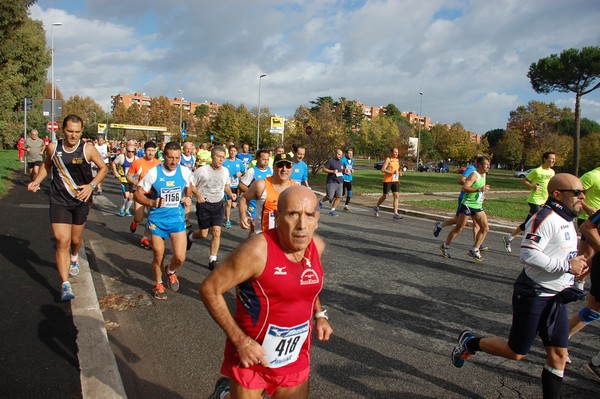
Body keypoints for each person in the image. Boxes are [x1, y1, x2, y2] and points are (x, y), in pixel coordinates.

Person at [451, 173, 588, 399]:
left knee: (558, 356)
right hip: (533, 294)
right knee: (516, 353)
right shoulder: (545, 218)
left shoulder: (566, 217)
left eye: (582, 192)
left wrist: (573, 272)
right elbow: (527, 255)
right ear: (557, 195)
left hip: (556, 298)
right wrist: (566, 266)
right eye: (577, 192)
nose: (582, 196)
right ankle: (470, 343)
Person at [201, 185, 333, 399]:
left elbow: (308, 285)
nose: (301, 225)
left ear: (317, 218)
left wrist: (319, 314)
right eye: (293, 214)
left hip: (294, 357)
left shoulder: (316, 247)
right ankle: (224, 393)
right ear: (277, 216)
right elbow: (209, 289)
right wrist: (241, 341)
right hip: (252, 358)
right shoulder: (257, 251)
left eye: (309, 215)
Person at [27, 115, 108, 301]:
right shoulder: (53, 148)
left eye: (77, 132)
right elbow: (47, 166)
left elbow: (103, 168)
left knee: (75, 239)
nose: (73, 135)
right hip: (59, 199)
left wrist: (91, 186)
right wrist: (37, 181)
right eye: (70, 131)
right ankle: (65, 285)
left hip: (81, 200)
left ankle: (74, 256)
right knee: (61, 239)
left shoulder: (88, 149)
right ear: (63, 130)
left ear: (81, 131)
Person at [134, 141, 192, 300]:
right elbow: (137, 194)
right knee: (158, 254)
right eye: (171, 158)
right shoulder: (153, 173)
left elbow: (189, 186)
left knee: (180, 257)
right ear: (164, 156)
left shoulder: (185, 172)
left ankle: (171, 271)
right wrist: (151, 202)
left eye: (177, 158)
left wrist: (188, 198)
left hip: (177, 219)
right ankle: (158, 283)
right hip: (157, 221)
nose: (174, 162)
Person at [187, 145, 236, 270]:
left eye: (222, 157)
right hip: (204, 204)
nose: (221, 160)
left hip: (218, 204)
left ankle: (212, 259)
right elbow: (190, 184)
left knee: (217, 232)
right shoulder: (202, 170)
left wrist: (231, 194)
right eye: (218, 157)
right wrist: (198, 195)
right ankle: (191, 237)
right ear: (212, 157)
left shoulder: (225, 171)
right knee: (203, 234)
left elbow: (226, 185)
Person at [440, 156, 491, 261]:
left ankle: (475, 249)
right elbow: (464, 187)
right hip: (467, 205)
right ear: (480, 165)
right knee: (459, 227)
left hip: (477, 206)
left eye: (489, 164)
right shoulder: (474, 175)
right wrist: (479, 189)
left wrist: (482, 194)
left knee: (485, 228)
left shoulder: (484, 175)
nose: (488, 166)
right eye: (486, 164)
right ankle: (445, 246)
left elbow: (480, 189)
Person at [503, 152, 556, 253]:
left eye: (554, 159)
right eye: (551, 158)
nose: (553, 161)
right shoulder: (537, 171)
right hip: (535, 200)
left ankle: (510, 237)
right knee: (540, 221)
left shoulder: (552, 172)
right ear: (545, 159)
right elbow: (525, 180)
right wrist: (532, 186)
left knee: (528, 222)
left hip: (546, 200)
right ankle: (535, 244)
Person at [238, 153, 296, 235]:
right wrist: (243, 215)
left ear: (292, 168)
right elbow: (244, 198)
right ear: (273, 167)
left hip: (285, 238)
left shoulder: (295, 189)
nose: (284, 169)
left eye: (288, 166)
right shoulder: (261, 185)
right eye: (280, 165)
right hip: (264, 238)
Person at [127, 141, 161, 249]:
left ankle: (145, 238)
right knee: (139, 217)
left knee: (152, 217)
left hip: (153, 194)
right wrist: (136, 183)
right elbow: (129, 176)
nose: (151, 153)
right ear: (144, 151)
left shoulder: (159, 164)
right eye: (148, 150)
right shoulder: (138, 162)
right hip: (141, 193)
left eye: (152, 150)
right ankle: (135, 221)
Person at [238, 149, 273, 235]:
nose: (266, 161)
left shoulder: (270, 170)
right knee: (254, 227)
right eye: (263, 159)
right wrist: (253, 193)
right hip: (253, 204)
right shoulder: (252, 171)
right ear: (258, 159)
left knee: (265, 228)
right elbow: (241, 185)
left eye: (267, 159)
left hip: (266, 204)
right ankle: (251, 247)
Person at [372, 147, 403, 220]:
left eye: (397, 152)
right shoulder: (388, 159)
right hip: (388, 180)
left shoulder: (397, 160)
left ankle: (395, 213)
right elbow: (383, 169)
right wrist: (392, 172)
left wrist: (399, 173)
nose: (396, 154)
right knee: (385, 196)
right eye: (395, 152)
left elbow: (397, 169)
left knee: (396, 196)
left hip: (395, 180)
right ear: (392, 152)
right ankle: (376, 207)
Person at [111, 144, 138, 216]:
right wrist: (115, 172)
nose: (130, 153)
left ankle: (127, 210)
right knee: (126, 195)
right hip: (124, 179)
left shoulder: (136, 159)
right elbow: (113, 163)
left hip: (132, 180)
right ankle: (122, 208)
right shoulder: (122, 157)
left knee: (131, 196)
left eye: (132, 152)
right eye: (129, 151)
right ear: (126, 151)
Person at [223, 144, 244, 229]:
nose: (232, 152)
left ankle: (225, 210)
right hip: (227, 185)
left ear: (236, 152)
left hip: (236, 186)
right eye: (231, 151)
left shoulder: (239, 162)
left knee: (234, 205)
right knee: (228, 203)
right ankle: (228, 220)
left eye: (234, 151)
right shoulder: (224, 162)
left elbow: (243, 171)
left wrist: (240, 174)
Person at [319, 149, 344, 217]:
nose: (340, 156)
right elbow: (324, 169)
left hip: (339, 182)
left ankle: (333, 210)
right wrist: (332, 171)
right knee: (330, 197)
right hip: (331, 181)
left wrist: (346, 171)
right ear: (335, 154)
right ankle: (321, 201)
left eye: (341, 155)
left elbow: (341, 171)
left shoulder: (341, 162)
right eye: (339, 154)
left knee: (339, 197)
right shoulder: (331, 161)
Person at [341, 148, 355, 212]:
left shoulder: (352, 160)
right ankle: (333, 200)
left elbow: (351, 167)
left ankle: (346, 205)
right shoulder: (343, 160)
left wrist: (352, 170)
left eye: (351, 154)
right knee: (342, 193)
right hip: (343, 178)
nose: (350, 155)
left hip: (349, 178)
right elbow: (339, 167)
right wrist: (344, 170)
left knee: (350, 192)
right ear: (346, 154)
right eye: (349, 153)